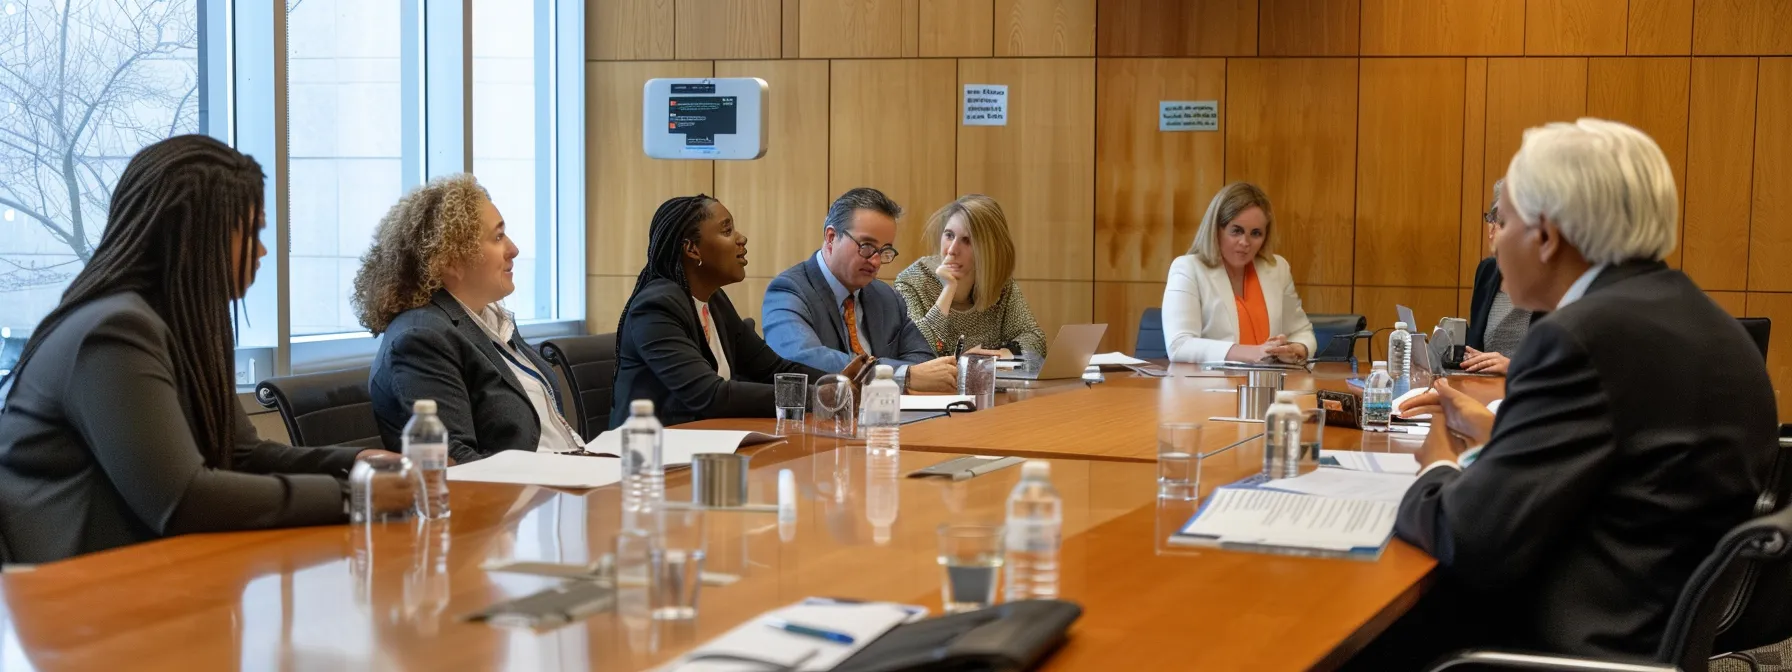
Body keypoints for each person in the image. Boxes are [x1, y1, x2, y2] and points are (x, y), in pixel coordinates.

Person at [1364, 118, 1777, 667]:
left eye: (1501, 220)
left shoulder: (1578, 338)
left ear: (1546, 235)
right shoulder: (1705, 323)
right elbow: (1631, 466)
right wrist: (1503, 433)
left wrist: (1436, 465)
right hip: (1647, 629)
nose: (1494, 238)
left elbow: (1471, 538)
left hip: (1560, 644)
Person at [0, 135, 402, 564]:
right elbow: (183, 501)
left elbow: (240, 454)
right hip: (72, 606)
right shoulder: (114, 333)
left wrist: (356, 461)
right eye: (252, 231)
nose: (263, 250)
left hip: (138, 584)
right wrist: (352, 496)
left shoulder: (176, 325)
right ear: (200, 235)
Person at [354, 174, 582, 464]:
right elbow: (455, 461)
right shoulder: (421, 338)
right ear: (449, 260)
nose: (513, 249)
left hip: (557, 482)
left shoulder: (489, 319)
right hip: (512, 500)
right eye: (498, 237)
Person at [611, 195, 870, 429]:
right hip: (649, 455)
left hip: (704, 442)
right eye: (727, 230)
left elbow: (772, 368)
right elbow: (711, 396)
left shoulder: (715, 301)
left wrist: (835, 383)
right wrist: (817, 397)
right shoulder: (656, 308)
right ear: (692, 249)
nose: (741, 238)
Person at [763, 187, 959, 393]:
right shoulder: (789, 290)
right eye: (866, 246)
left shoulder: (886, 296)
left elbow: (923, 362)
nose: (875, 261)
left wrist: (908, 375)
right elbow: (802, 358)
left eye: (884, 251)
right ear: (831, 237)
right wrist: (901, 376)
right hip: (820, 418)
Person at [1160, 182, 1316, 364]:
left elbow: (1302, 332)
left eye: (1256, 233)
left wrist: (1296, 349)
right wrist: (1252, 352)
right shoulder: (1188, 269)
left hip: (1268, 386)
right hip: (1207, 387)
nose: (1245, 242)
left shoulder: (1277, 269)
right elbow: (1179, 345)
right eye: (1236, 231)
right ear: (1216, 229)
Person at [893, 195, 1047, 358]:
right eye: (949, 235)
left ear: (988, 249)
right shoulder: (911, 281)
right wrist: (948, 290)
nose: (952, 250)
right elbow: (915, 350)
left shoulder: (1000, 284)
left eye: (967, 240)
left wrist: (995, 356)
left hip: (988, 382)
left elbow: (1035, 339)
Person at [1461, 178, 1540, 374]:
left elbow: (1563, 365)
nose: (1491, 230)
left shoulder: (1549, 281)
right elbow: (1476, 345)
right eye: (1491, 220)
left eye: (1503, 222)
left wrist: (1512, 367)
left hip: (1528, 391)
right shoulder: (1487, 272)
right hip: (1484, 388)